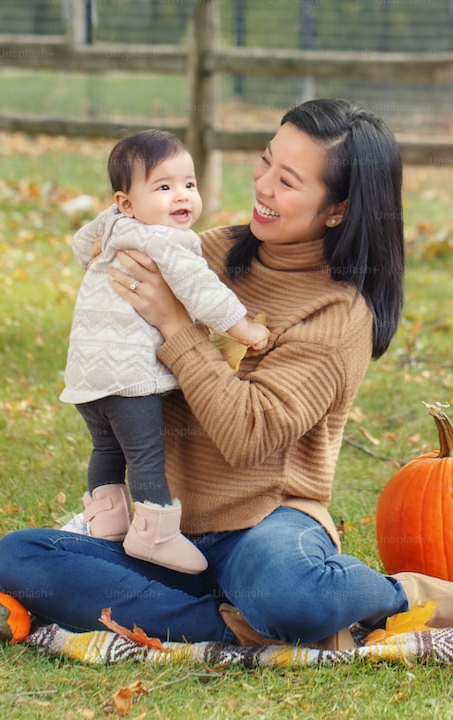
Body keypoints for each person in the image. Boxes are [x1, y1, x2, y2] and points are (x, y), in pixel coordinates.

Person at [0, 99, 453, 647]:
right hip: (168, 535)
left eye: (287, 181)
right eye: (265, 161)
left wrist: (177, 326)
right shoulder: (199, 253)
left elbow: (248, 435)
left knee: (292, 594)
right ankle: (235, 623)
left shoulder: (338, 313)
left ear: (336, 209)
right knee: (22, 560)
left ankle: (400, 598)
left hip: (265, 528)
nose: (262, 185)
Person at [61, 130, 269, 575]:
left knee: (105, 448)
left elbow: (82, 243)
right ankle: (155, 535)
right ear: (127, 202)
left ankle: (108, 524)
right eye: (163, 187)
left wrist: (93, 258)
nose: (182, 197)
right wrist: (244, 328)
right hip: (129, 376)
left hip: (85, 377)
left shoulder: (114, 224)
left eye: (189, 184)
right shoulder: (168, 242)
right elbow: (202, 292)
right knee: (145, 455)